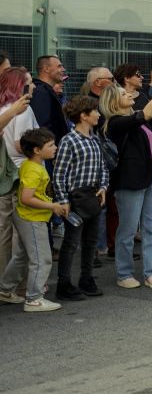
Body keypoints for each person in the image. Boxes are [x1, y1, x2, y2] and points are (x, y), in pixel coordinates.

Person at [99, 74, 152, 289]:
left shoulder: (139, 119)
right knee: (128, 228)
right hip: (130, 179)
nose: (129, 93)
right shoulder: (115, 123)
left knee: (151, 228)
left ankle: (151, 273)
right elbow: (146, 113)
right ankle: (124, 273)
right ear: (113, 101)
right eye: (124, 93)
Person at [0, 129, 66, 312]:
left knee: (21, 256)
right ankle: (34, 298)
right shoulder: (35, 170)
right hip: (31, 219)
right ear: (37, 150)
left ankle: (4, 290)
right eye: (51, 145)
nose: (55, 148)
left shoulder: (30, 166)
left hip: (25, 217)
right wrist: (53, 206)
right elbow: (26, 198)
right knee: (42, 258)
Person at [52, 95, 109, 300]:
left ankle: (87, 278)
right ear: (84, 116)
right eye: (95, 111)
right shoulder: (69, 140)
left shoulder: (95, 138)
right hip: (75, 198)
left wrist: (103, 187)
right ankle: (64, 283)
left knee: (90, 241)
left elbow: (103, 167)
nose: (98, 114)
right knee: (71, 242)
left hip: (93, 196)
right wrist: (63, 200)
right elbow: (59, 174)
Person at [0, 68, 37, 272]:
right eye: (28, 82)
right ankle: (15, 281)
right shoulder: (22, 110)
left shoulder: (3, 107)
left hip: (5, 173)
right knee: (20, 231)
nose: (33, 86)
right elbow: (19, 144)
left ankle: (4, 279)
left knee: (4, 229)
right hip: (20, 172)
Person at [31, 55, 69, 141]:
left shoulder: (46, 91)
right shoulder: (41, 92)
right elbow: (43, 125)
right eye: (59, 66)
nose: (63, 69)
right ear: (46, 69)